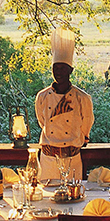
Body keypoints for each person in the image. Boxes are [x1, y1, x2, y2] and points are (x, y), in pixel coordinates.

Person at [35, 29, 94, 182]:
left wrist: (79, 141)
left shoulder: (82, 98)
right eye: (56, 68)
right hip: (48, 158)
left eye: (62, 68)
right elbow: (42, 122)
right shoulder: (42, 96)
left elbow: (86, 125)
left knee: (74, 197)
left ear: (70, 70)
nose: (58, 72)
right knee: (48, 199)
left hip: (72, 158)